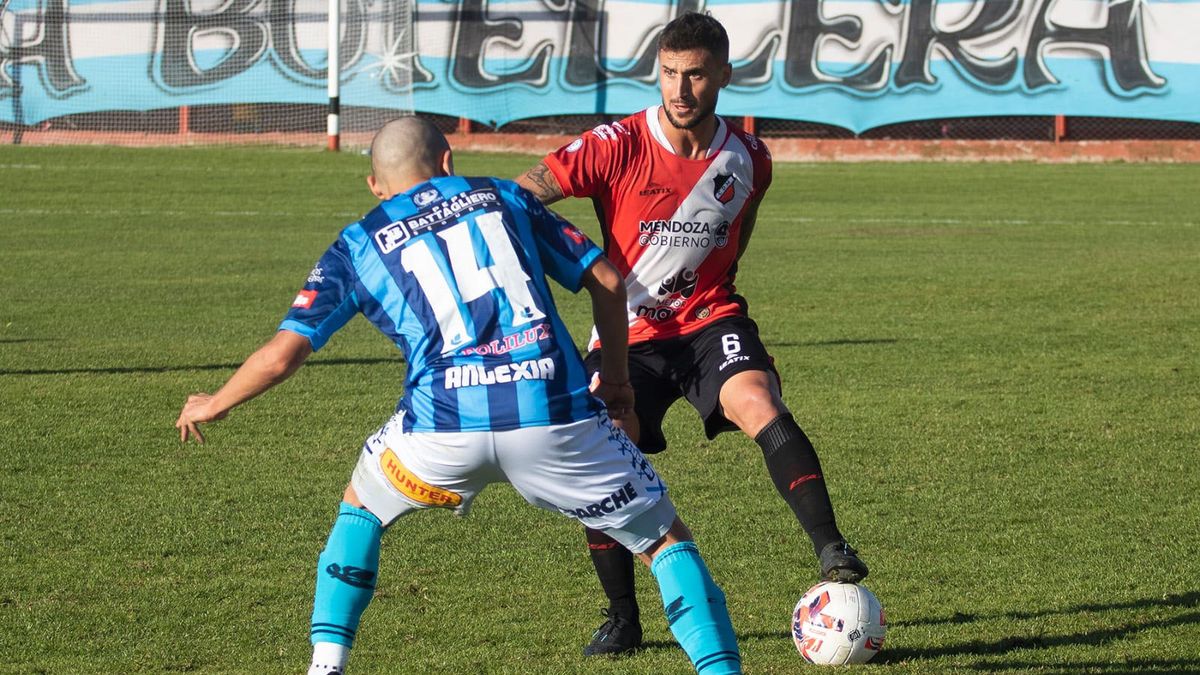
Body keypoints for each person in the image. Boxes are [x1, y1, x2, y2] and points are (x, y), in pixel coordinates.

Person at [174, 117, 742, 675]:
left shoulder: (358, 242)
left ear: (375, 185)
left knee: (362, 507)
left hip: (440, 431)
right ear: (449, 162)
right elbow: (610, 282)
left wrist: (214, 402)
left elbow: (282, 355)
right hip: (553, 417)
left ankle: (326, 666)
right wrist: (617, 382)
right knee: (665, 541)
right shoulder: (502, 197)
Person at [515, 12, 869, 657]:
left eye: (695, 75)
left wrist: (716, 291)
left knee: (758, 401)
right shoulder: (613, 144)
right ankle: (623, 615)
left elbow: (738, 235)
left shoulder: (750, 159)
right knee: (606, 453)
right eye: (669, 74)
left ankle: (831, 547)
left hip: (710, 320)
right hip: (628, 337)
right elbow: (521, 199)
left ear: (724, 76)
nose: (679, 90)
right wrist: (578, 264)